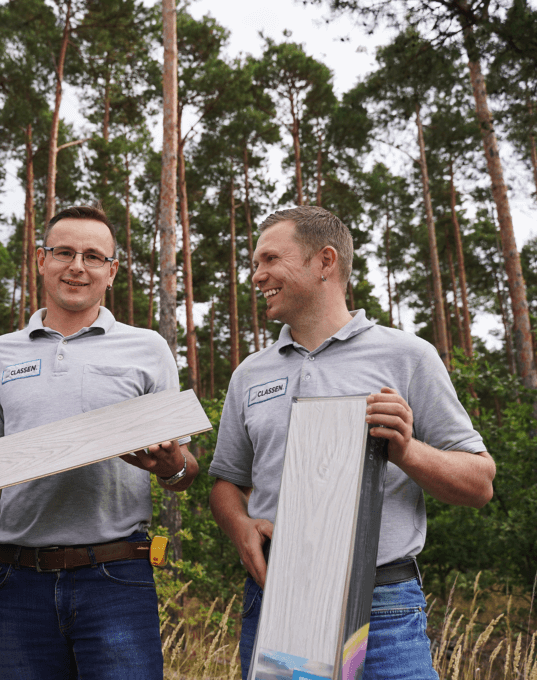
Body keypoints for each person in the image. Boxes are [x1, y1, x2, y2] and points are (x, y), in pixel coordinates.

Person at [207, 206, 495, 680]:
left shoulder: (408, 356)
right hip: (281, 597)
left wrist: (406, 450)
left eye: (270, 260)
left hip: (384, 605)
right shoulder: (249, 374)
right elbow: (226, 483)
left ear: (325, 261)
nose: (257, 276)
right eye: (255, 264)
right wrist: (241, 527)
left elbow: (480, 484)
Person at [0, 205, 199, 679]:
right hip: (15, 582)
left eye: (92, 256)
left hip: (116, 577)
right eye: (64, 252)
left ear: (112, 271)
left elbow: (186, 472)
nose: (77, 266)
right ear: (41, 259)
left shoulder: (147, 349)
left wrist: (172, 468)